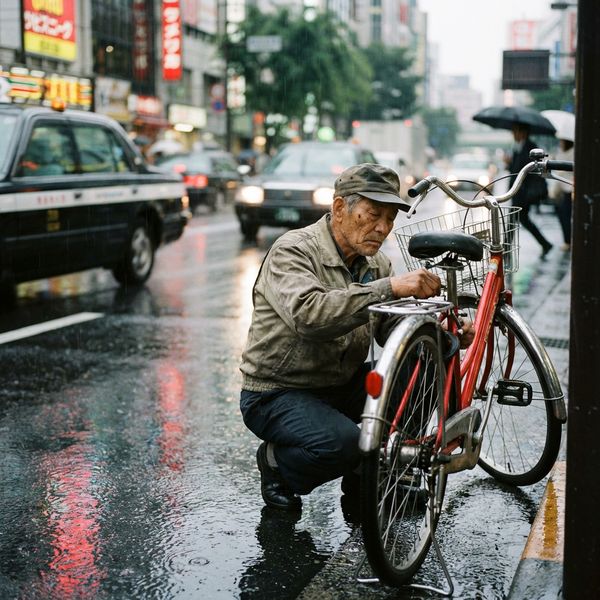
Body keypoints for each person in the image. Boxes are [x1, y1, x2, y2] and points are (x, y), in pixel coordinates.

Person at [239, 163, 473, 511]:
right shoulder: (294, 250)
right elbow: (310, 316)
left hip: (339, 384)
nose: (382, 228)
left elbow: (390, 328)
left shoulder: (375, 264)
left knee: (423, 363)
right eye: (373, 215)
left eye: (390, 219)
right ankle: (277, 465)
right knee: (345, 444)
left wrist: (442, 332)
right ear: (339, 209)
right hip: (277, 392)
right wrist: (388, 288)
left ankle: (369, 478)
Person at [504, 123, 553, 258]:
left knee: (514, 218)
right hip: (517, 190)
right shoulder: (518, 147)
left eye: (515, 131)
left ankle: (505, 249)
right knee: (521, 219)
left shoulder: (531, 148)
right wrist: (509, 163)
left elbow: (528, 169)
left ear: (523, 132)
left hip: (524, 192)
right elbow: (515, 170)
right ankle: (544, 243)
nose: (513, 135)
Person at [549, 137, 574, 251]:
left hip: (569, 189)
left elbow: (563, 171)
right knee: (563, 215)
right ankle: (568, 240)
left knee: (565, 216)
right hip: (563, 190)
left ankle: (568, 241)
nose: (560, 143)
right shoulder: (562, 152)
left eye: (562, 141)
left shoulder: (572, 153)